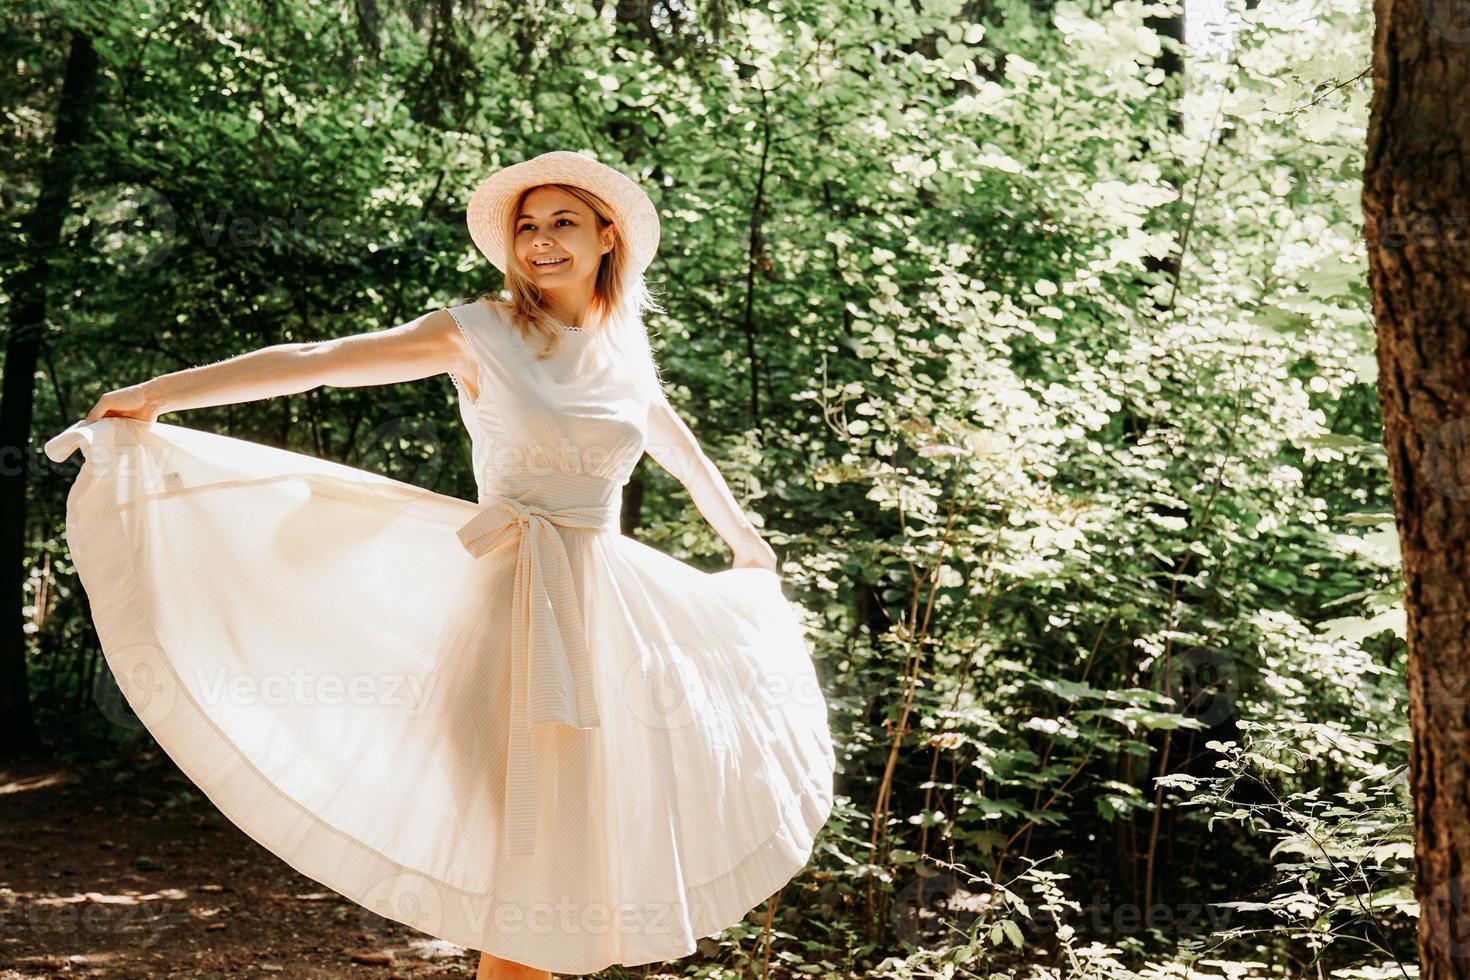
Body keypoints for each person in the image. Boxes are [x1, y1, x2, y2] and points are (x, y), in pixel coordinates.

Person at [44, 150, 836, 978]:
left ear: (608, 236)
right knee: (523, 870)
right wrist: (165, 392)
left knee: (563, 879)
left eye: (562, 222)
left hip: (606, 622)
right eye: (526, 228)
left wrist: (748, 545)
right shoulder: (479, 331)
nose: (540, 242)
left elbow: (681, 450)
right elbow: (321, 360)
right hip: (505, 616)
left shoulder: (624, 353)